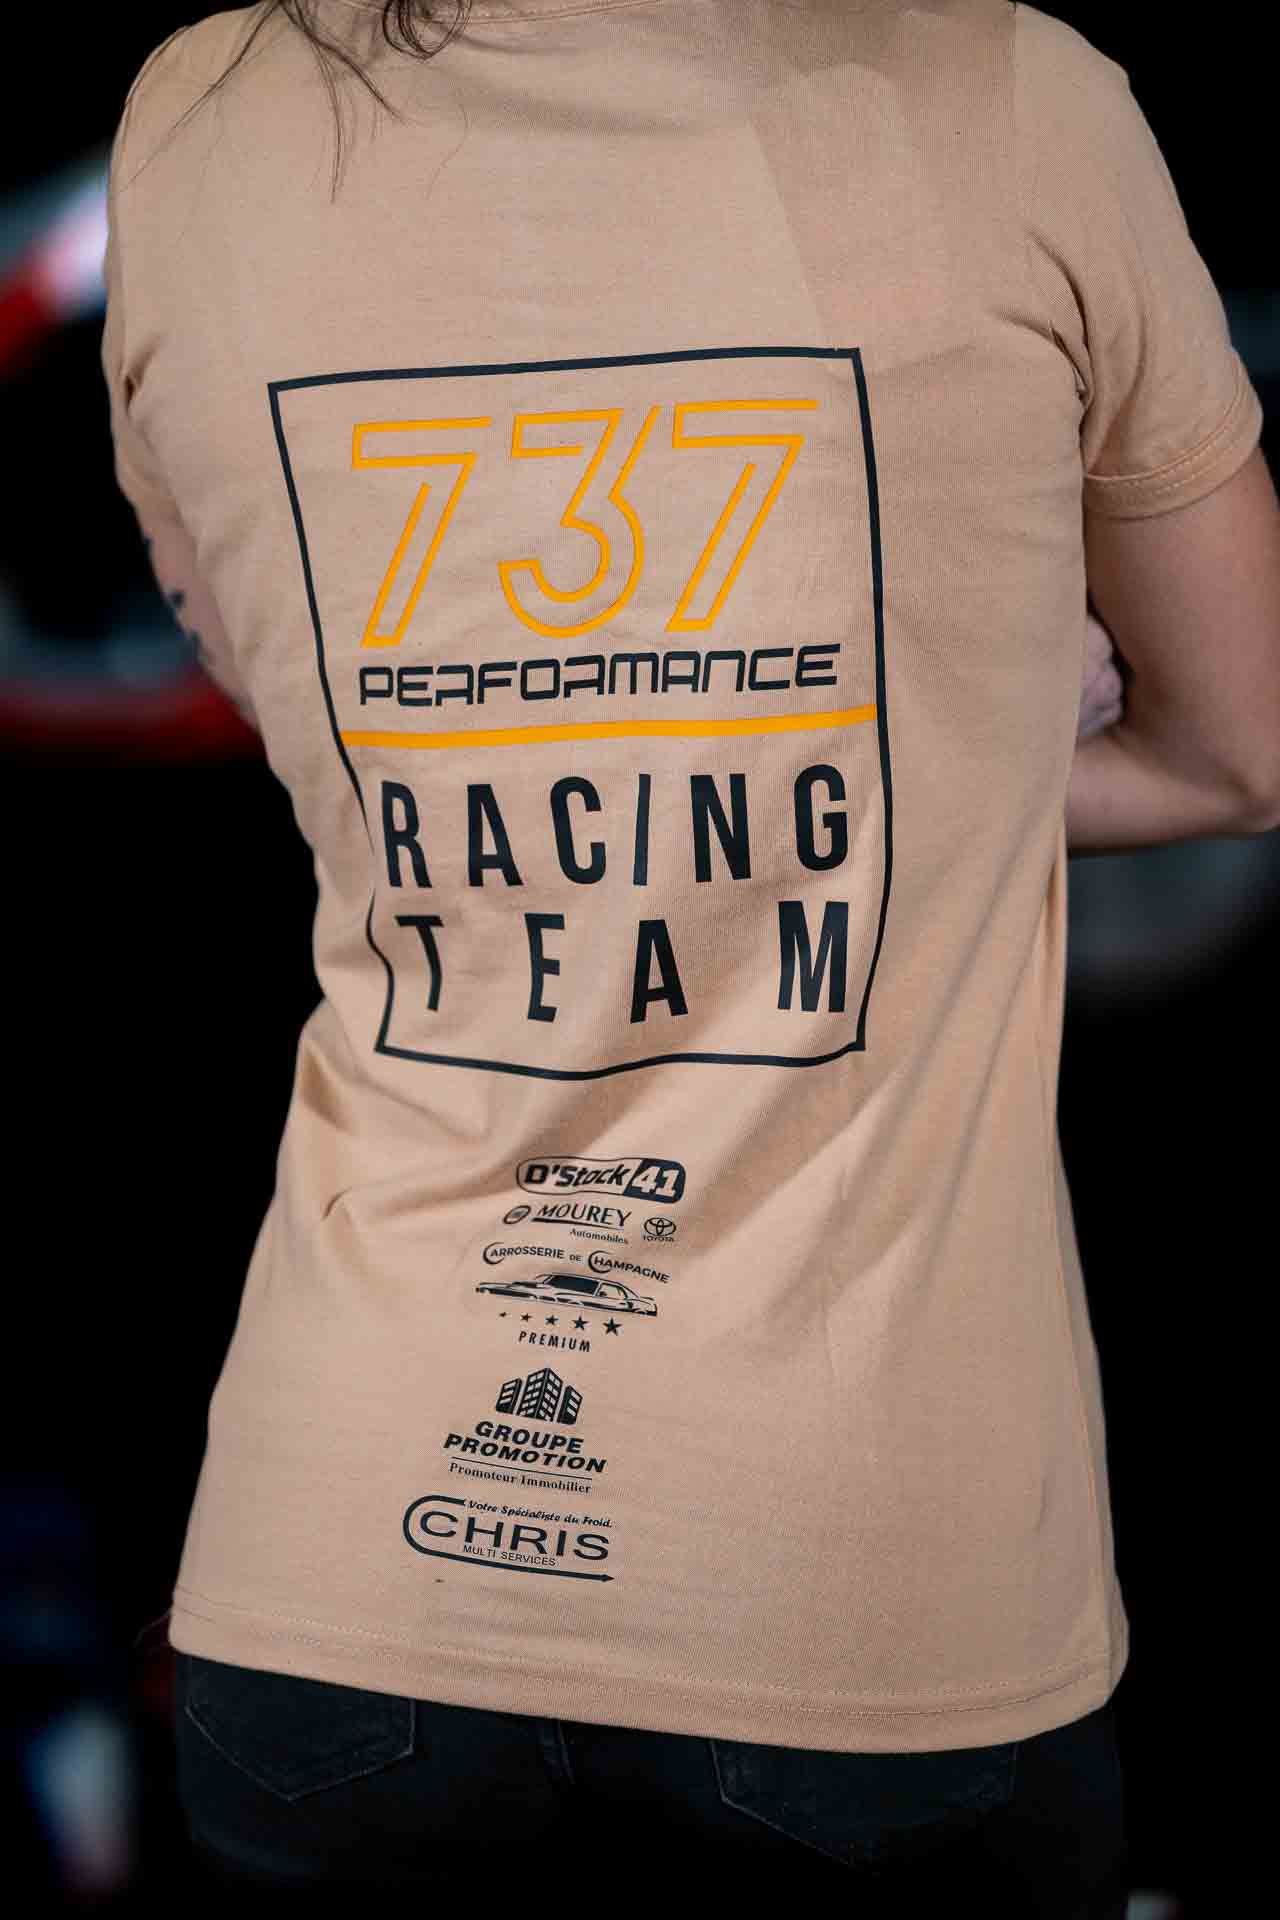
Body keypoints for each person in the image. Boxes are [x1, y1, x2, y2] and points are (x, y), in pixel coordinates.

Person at [101, 1, 1280, 1909]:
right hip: (857, 1603)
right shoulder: (1003, 95)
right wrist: (941, 737)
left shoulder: (197, 116)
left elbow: (305, 700)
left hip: (339, 1584)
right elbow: (1239, 748)